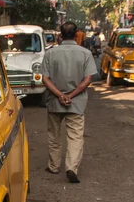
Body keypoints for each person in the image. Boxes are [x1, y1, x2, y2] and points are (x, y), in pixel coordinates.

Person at [41, 22, 97, 184]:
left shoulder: (50, 54)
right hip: (76, 103)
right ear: (76, 35)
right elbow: (88, 79)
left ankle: (53, 166)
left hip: (54, 102)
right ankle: (71, 167)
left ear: (60, 35)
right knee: (75, 137)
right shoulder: (85, 53)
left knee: (54, 135)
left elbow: (45, 79)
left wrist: (60, 95)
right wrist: (71, 95)